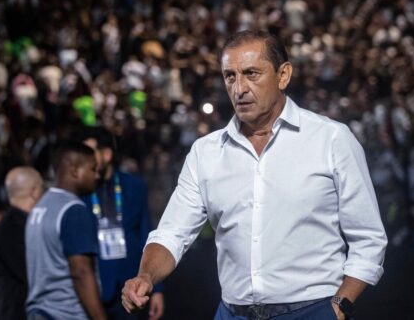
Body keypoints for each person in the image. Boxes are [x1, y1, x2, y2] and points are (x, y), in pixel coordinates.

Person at [122, 30, 387, 320]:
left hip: (311, 311)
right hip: (232, 313)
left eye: (251, 74)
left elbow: (368, 238)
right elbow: (173, 233)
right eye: (230, 76)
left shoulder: (331, 139)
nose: (239, 88)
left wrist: (339, 306)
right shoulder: (205, 152)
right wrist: (145, 276)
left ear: (283, 75)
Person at [81, 127, 164, 320]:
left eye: (89, 153)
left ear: (107, 154)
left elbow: (147, 233)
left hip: (131, 287)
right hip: (96, 288)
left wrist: (157, 288)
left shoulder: (134, 186)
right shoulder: (82, 192)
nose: (84, 160)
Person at [25, 142, 106, 320]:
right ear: (75, 170)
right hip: (66, 313)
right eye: (93, 169)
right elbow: (80, 272)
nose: (97, 175)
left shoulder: (40, 206)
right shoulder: (73, 210)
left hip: (39, 311)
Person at [0, 166, 44, 320]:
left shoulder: (18, 224)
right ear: (34, 191)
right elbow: (32, 273)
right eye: (42, 189)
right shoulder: (11, 229)